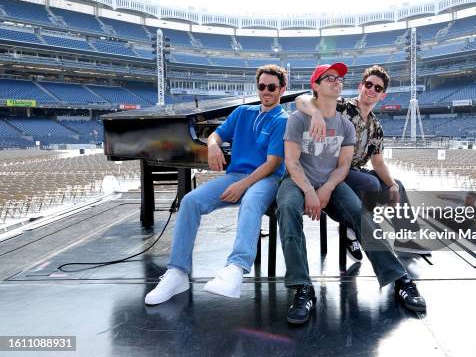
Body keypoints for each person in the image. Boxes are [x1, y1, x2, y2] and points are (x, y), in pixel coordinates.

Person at [277, 62, 426, 325]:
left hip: (332, 181)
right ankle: (302, 287)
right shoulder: (300, 118)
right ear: (316, 86)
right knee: (288, 208)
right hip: (299, 181)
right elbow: (291, 161)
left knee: (360, 212)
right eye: (329, 78)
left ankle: (399, 277)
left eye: (339, 78)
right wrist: (311, 191)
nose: (337, 81)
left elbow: (344, 165)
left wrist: (327, 187)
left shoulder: (346, 125)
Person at [145, 64, 288, 304]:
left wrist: (243, 186)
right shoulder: (243, 112)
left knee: (252, 200)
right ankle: (177, 272)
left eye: (271, 87)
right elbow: (215, 134)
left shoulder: (282, 120)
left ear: (282, 90)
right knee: (190, 201)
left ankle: (236, 268)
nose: (266, 91)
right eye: (261, 86)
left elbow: (272, 164)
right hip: (235, 176)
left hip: (267, 179)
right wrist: (213, 145)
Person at [295, 65, 430, 257]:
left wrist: (391, 185)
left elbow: (378, 162)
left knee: (397, 187)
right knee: (370, 183)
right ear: (361, 86)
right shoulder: (341, 106)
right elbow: (301, 100)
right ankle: (352, 230)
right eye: (369, 84)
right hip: (330, 170)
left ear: (382, 95)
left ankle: (404, 240)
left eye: (378, 88)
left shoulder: (376, 126)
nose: (372, 90)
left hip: (354, 171)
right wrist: (316, 113)